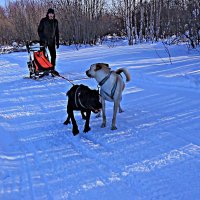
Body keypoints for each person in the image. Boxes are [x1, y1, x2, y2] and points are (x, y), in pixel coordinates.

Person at [38, 8, 59, 74]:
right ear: (47, 14)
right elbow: (39, 31)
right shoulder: (43, 20)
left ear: (53, 14)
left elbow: (57, 32)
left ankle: (52, 69)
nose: (51, 15)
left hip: (52, 41)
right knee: (43, 56)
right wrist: (43, 39)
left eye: (52, 13)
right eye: (49, 13)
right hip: (43, 41)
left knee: (53, 55)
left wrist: (57, 42)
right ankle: (45, 69)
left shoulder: (55, 21)